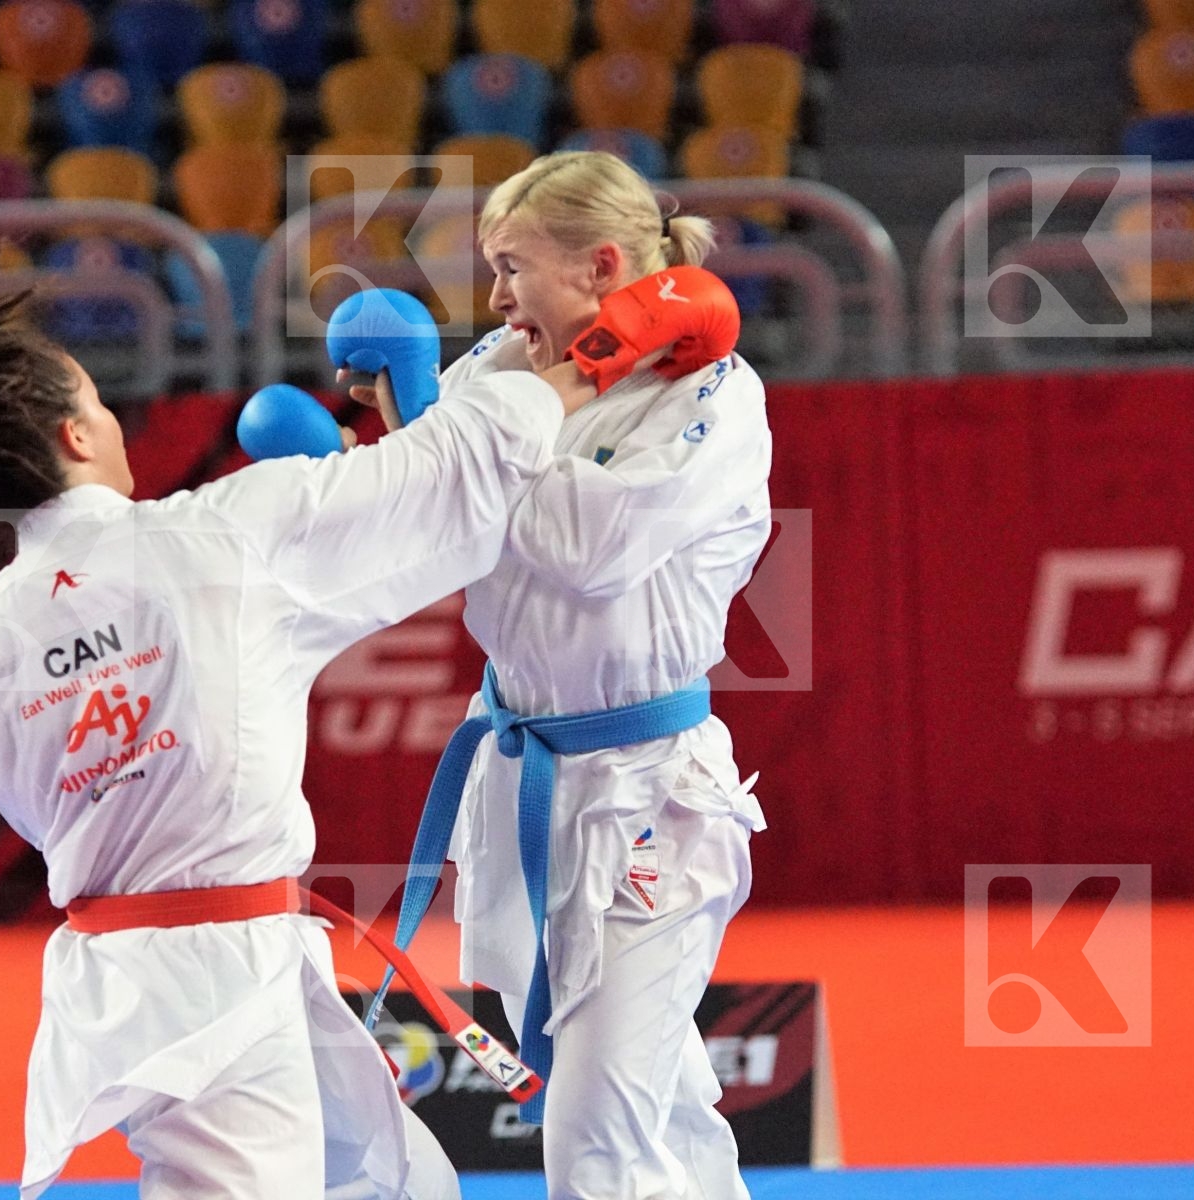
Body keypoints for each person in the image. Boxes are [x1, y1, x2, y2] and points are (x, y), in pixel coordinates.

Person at [0, 240, 655, 1200]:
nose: (112, 420)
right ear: (75, 438)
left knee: (402, 1187)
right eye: (97, 402)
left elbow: (74, 799)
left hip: (149, 969)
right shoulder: (222, 537)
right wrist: (606, 345)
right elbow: (451, 474)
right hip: (214, 978)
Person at [354, 151, 773, 1199]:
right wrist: (400, 435)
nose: (493, 297)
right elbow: (428, 521)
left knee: (592, 1137)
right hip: (522, 769)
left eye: (511, 266)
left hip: (647, 789)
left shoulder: (713, 394)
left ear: (596, 267)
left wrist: (459, 440)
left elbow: (591, 549)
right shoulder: (498, 365)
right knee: (651, 1099)